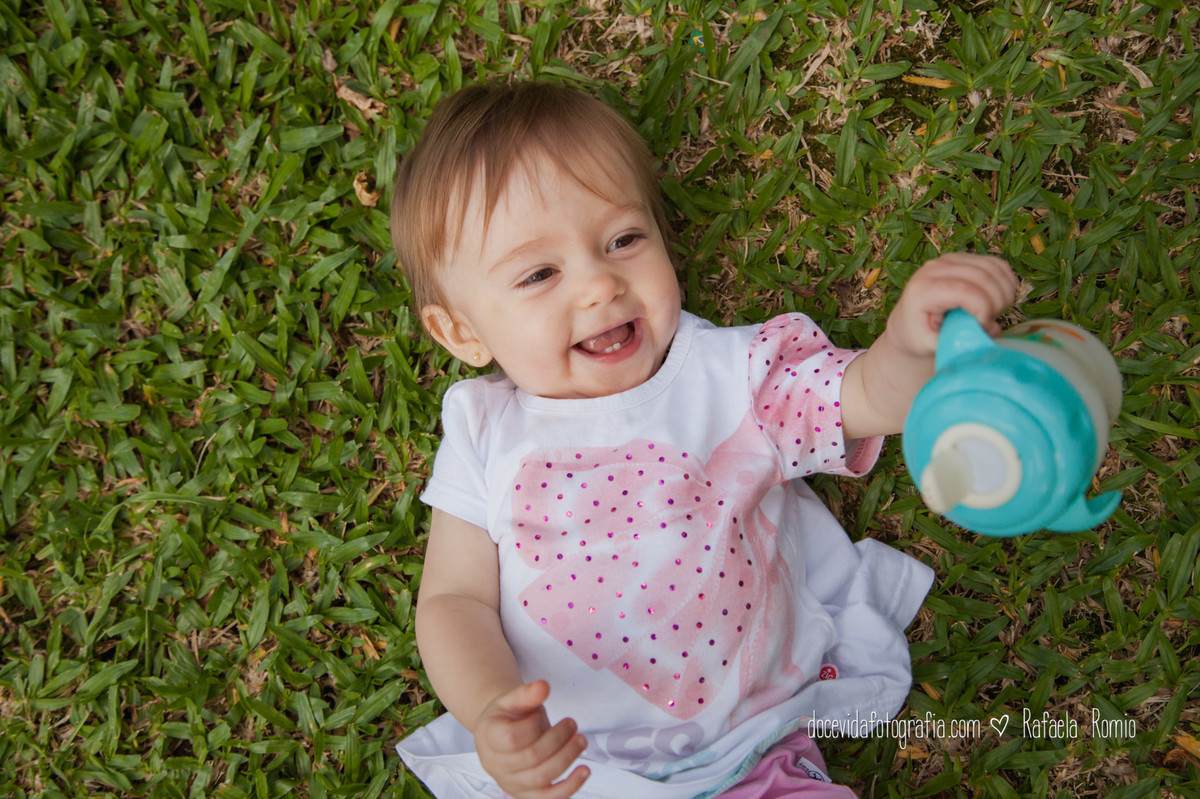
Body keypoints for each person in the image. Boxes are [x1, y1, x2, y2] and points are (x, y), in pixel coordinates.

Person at [388, 81, 1018, 799]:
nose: (599, 283)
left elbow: (864, 399)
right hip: (575, 779)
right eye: (540, 274)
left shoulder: (729, 378)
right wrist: (490, 708)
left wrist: (908, 345)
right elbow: (453, 601)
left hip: (753, 755)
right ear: (463, 331)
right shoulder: (483, 431)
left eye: (624, 240)